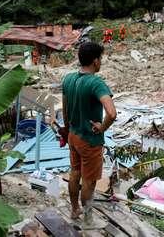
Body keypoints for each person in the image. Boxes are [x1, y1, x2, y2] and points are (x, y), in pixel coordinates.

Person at [61, 42, 116, 225]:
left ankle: (75, 209)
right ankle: (88, 218)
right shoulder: (96, 83)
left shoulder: (68, 79)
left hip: (73, 135)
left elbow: (65, 107)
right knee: (89, 181)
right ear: (95, 61)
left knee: (75, 172)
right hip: (90, 140)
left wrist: (67, 128)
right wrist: (102, 128)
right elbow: (112, 113)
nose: (101, 62)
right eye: (100, 59)